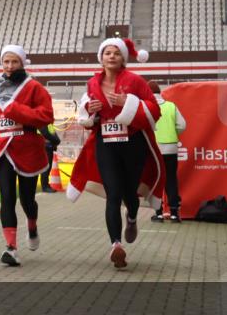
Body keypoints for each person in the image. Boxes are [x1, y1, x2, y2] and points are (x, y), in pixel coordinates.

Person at [66, 37, 164, 269]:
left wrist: (128, 102)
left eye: (116, 53)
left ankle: (131, 217)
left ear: (123, 59)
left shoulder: (136, 81)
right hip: (105, 143)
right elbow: (86, 115)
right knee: (113, 193)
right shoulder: (92, 83)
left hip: (133, 144)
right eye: (107, 53)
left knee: (130, 192)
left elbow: (153, 110)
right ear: (101, 58)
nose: (111, 56)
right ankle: (116, 245)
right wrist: (91, 111)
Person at [0, 45, 54, 266]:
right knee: (7, 198)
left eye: (14, 62)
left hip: (28, 147)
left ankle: (32, 224)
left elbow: (47, 116)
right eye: (6, 62)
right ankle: (11, 248)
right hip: (3, 149)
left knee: (27, 200)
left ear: (22, 63)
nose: (9, 67)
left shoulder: (34, 87)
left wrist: (17, 111)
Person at [147, 80, 186, 222]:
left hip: (153, 149)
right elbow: (182, 125)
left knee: (156, 181)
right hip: (171, 147)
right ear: (159, 92)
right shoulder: (171, 106)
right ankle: (175, 213)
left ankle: (159, 213)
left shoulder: (147, 107)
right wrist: (173, 133)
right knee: (171, 179)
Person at [38, 122, 61, 193]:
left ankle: (46, 185)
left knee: (48, 166)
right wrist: (56, 140)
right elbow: (46, 133)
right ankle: (45, 186)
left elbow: (52, 132)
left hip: (49, 146)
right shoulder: (42, 121)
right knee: (46, 167)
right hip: (44, 146)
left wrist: (56, 141)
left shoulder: (48, 122)